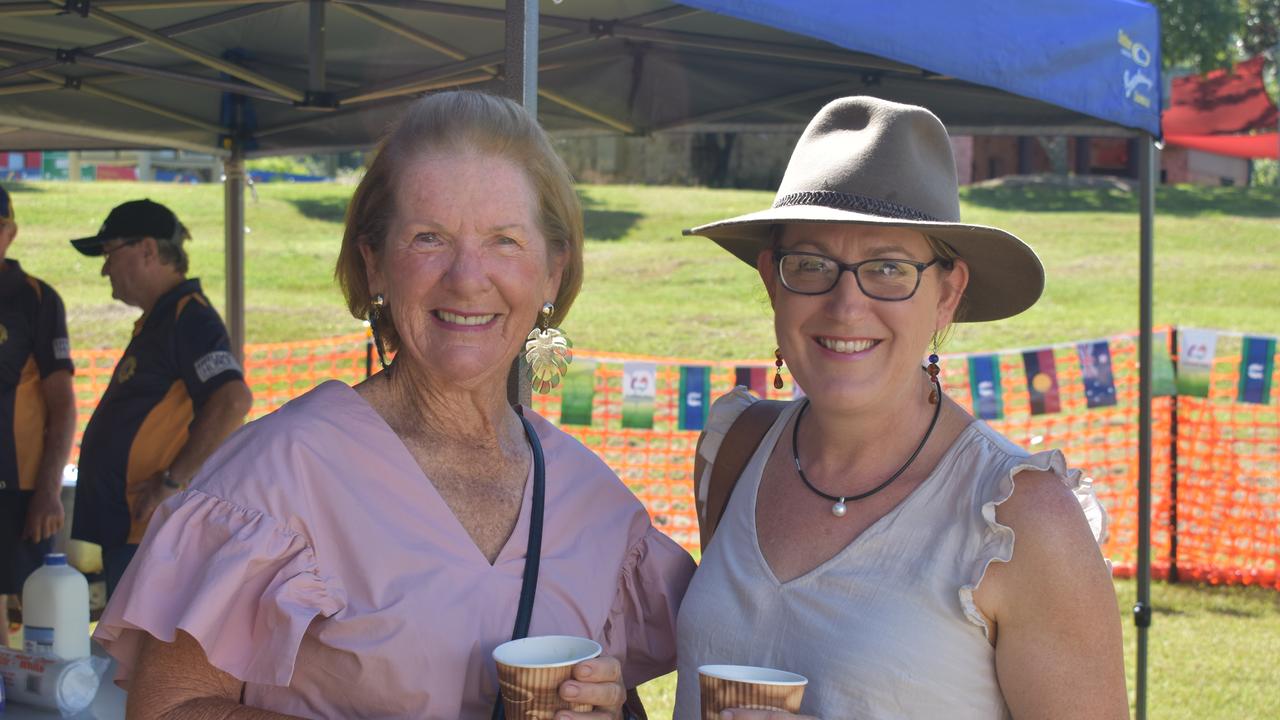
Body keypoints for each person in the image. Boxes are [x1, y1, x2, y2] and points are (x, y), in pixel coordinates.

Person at [93, 91, 696, 719]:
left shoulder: (594, 505)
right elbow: (167, 708)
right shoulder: (278, 477)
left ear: (552, 272)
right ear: (374, 263)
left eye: (505, 241)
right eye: (429, 238)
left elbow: (622, 703)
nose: (467, 277)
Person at [674, 97, 1127, 719]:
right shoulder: (738, 449)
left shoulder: (1021, 520)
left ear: (948, 294)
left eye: (887, 268)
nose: (846, 305)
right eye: (811, 264)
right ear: (770, 280)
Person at [68, 198, 254, 599]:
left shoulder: (189, 316)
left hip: (151, 530)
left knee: (141, 655)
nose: (104, 268)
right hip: (133, 526)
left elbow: (232, 399)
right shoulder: (166, 318)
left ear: (148, 250)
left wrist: (171, 483)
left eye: (108, 253)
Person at [0, 184, 77, 648]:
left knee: (31, 629)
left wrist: (48, 490)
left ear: (9, 231)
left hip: (19, 492)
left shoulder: (36, 298)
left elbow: (62, 403)